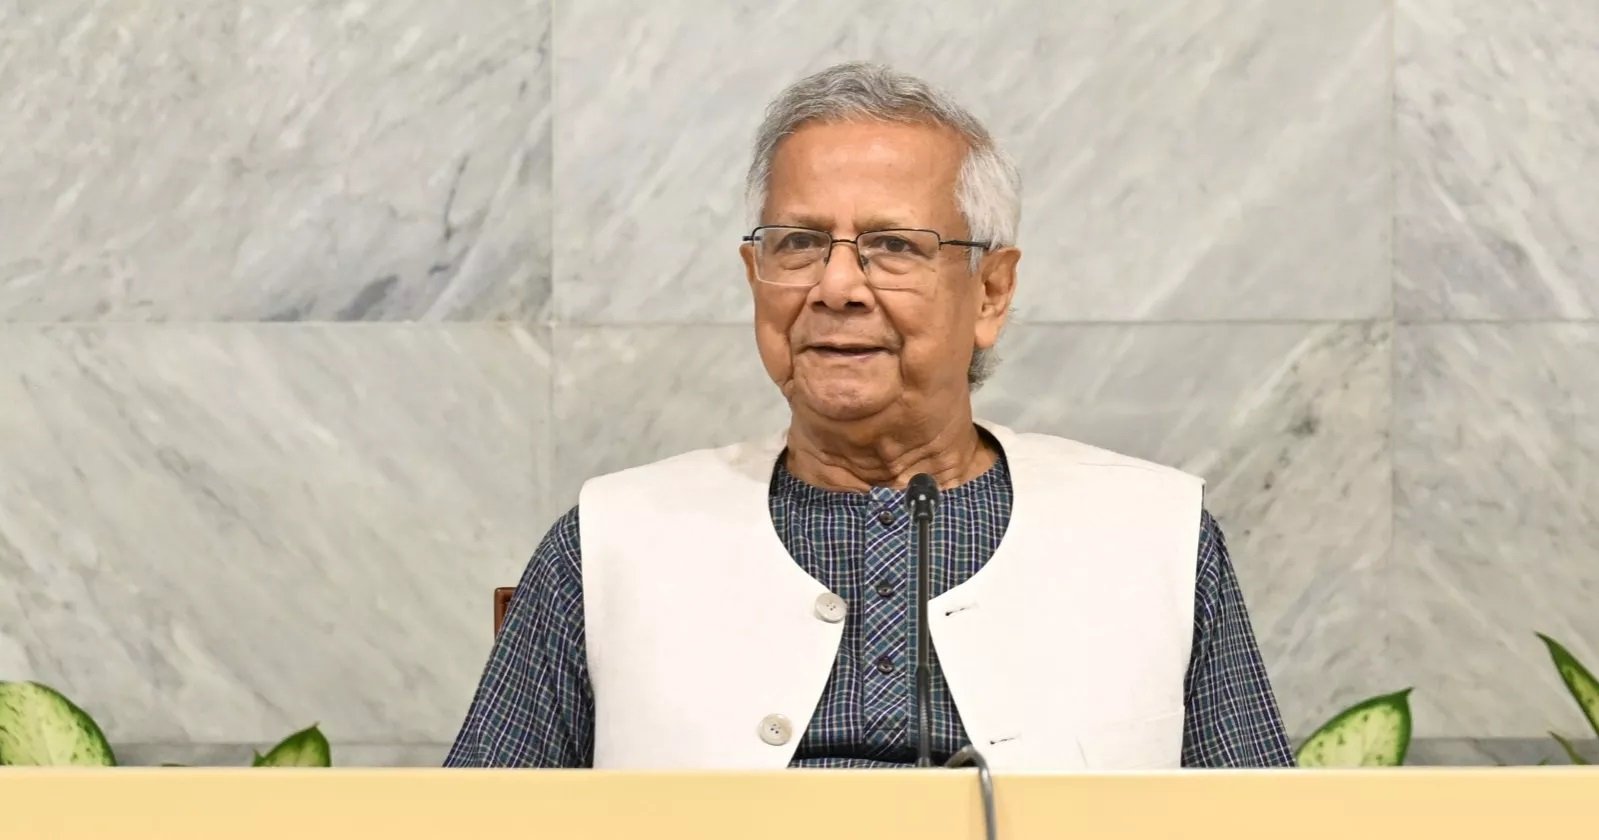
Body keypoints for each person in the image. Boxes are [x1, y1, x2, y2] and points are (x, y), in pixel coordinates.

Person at [445, 61, 1295, 770]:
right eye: (798, 243)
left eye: (892, 246)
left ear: (990, 293)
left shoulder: (1154, 535)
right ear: (754, 280)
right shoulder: (610, 540)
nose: (837, 287)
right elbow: (471, 823)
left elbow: (1264, 823)